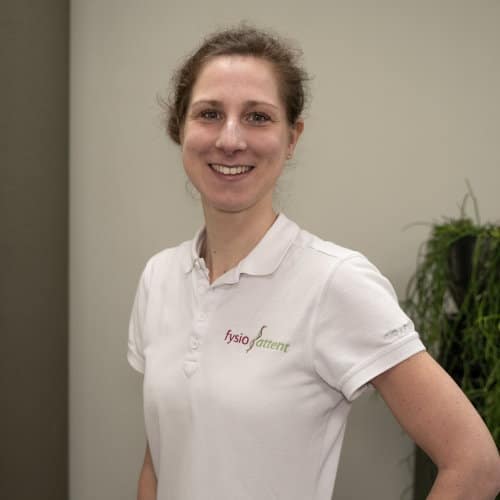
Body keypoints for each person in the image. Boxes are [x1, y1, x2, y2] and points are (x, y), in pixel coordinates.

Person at [127, 25, 500, 500]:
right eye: (210, 113)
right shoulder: (159, 277)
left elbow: (475, 465)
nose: (230, 138)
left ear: (292, 137)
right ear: (180, 128)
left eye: (258, 117)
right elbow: (161, 460)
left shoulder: (333, 282)